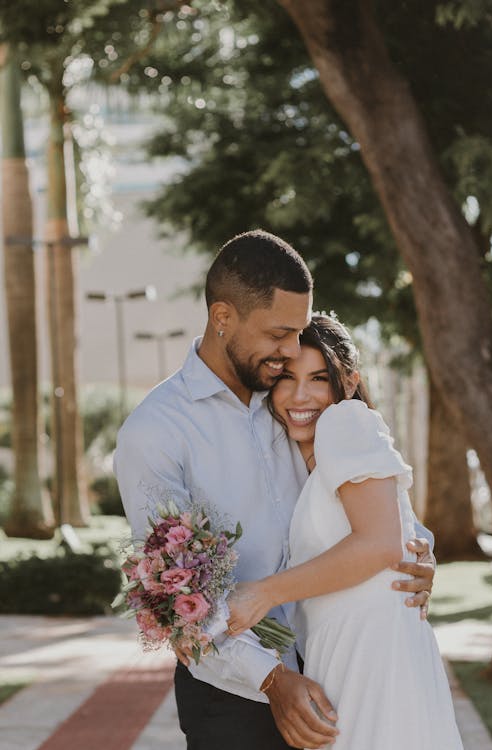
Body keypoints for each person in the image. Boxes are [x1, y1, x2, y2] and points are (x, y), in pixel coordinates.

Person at [114, 230, 436, 750]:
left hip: (337, 669)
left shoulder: (291, 401)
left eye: (299, 333)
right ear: (223, 318)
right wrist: (272, 680)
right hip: (234, 701)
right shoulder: (155, 433)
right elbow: (175, 603)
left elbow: (368, 496)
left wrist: (420, 551)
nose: (291, 352)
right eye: (279, 334)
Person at [226, 314, 463, 749]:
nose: (300, 395)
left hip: (375, 656)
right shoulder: (307, 462)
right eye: (286, 378)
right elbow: (404, 533)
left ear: (349, 382)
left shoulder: (345, 423)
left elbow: (379, 543)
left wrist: (261, 594)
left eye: (319, 378)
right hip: (343, 655)